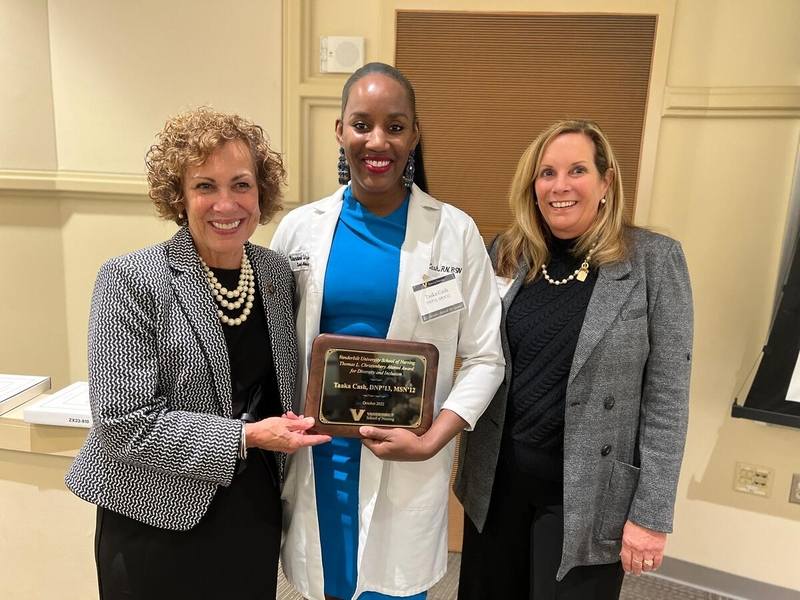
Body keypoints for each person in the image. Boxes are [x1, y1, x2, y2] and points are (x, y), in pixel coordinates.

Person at [65, 107, 330, 600]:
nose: (226, 204)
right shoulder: (129, 279)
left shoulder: (274, 273)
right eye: (205, 186)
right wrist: (248, 436)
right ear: (179, 197)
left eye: (241, 184)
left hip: (253, 508)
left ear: (261, 192)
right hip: (155, 513)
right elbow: (122, 424)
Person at [270, 62, 504, 600]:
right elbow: (274, 347)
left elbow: (486, 357)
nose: (377, 141)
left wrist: (432, 440)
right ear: (340, 131)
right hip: (320, 455)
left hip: (406, 457)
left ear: (414, 135)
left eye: (395, 127)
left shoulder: (454, 232)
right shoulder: (299, 230)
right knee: (328, 585)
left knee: (392, 591)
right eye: (362, 124)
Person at [454, 119, 693, 600]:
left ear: (606, 182)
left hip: (588, 497)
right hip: (498, 485)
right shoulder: (506, 252)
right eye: (547, 173)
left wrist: (650, 515)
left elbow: (668, 399)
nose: (560, 186)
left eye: (577, 170)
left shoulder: (654, 261)